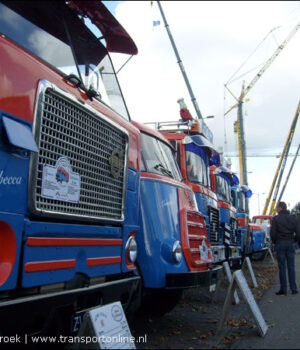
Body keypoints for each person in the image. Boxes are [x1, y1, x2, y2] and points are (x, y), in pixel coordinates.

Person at [270, 201, 300, 295]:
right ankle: (293, 288)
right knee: (291, 266)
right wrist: (294, 241)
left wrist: (275, 242)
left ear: (280, 208)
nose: (276, 209)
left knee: (282, 267)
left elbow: (273, 233)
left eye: (277, 208)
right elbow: (298, 232)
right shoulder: (293, 218)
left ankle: (283, 289)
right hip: (290, 243)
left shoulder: (276, 219)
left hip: (280, 243)